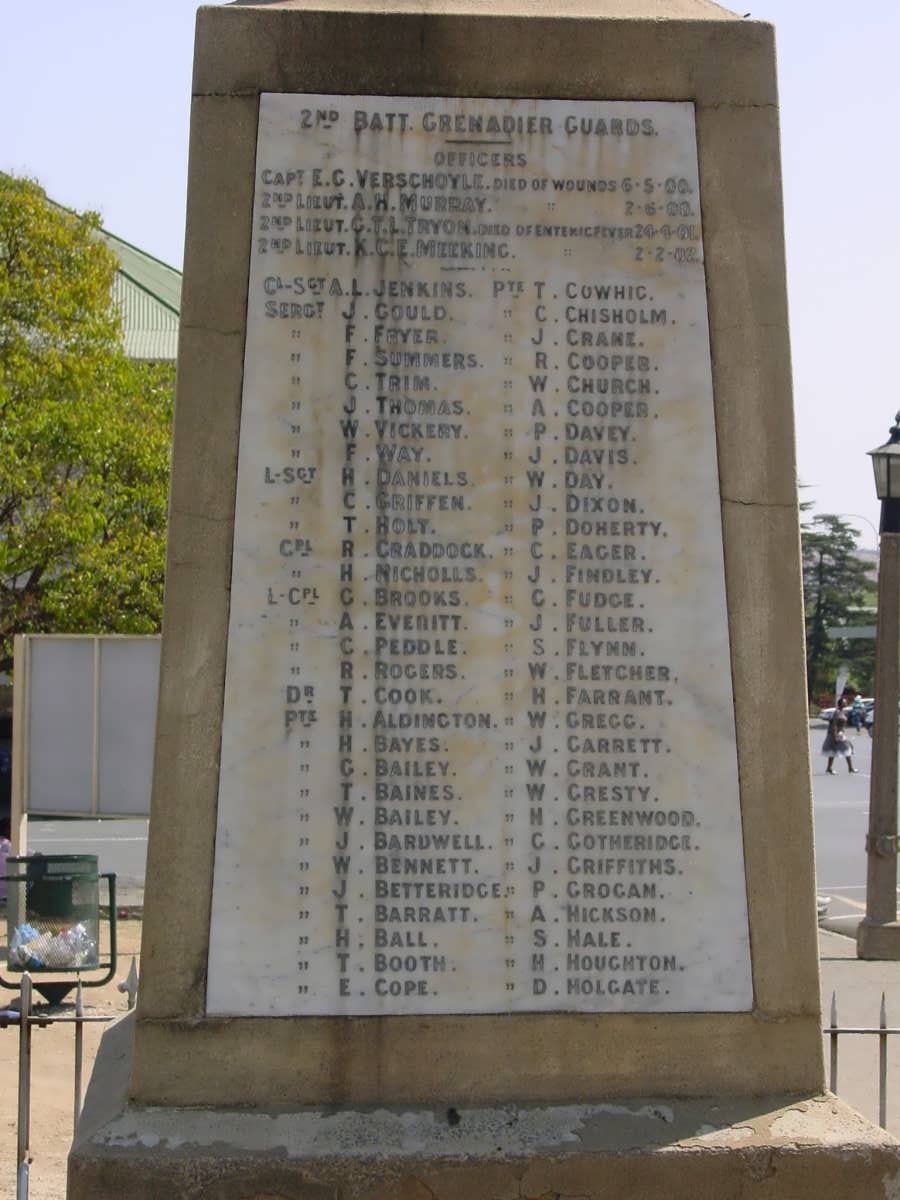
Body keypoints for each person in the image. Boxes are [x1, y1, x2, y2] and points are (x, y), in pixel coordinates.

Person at [822, 698, 858, 774]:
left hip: (840, 733)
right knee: (846, 748)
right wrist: (835, 736)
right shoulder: (837, 712)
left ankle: (829, 768)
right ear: (840, 704)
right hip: (836, 734)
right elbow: (834, 724)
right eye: (844, 702)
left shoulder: (842, 712)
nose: (846, 703)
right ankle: (850, 768)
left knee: (833, 751)